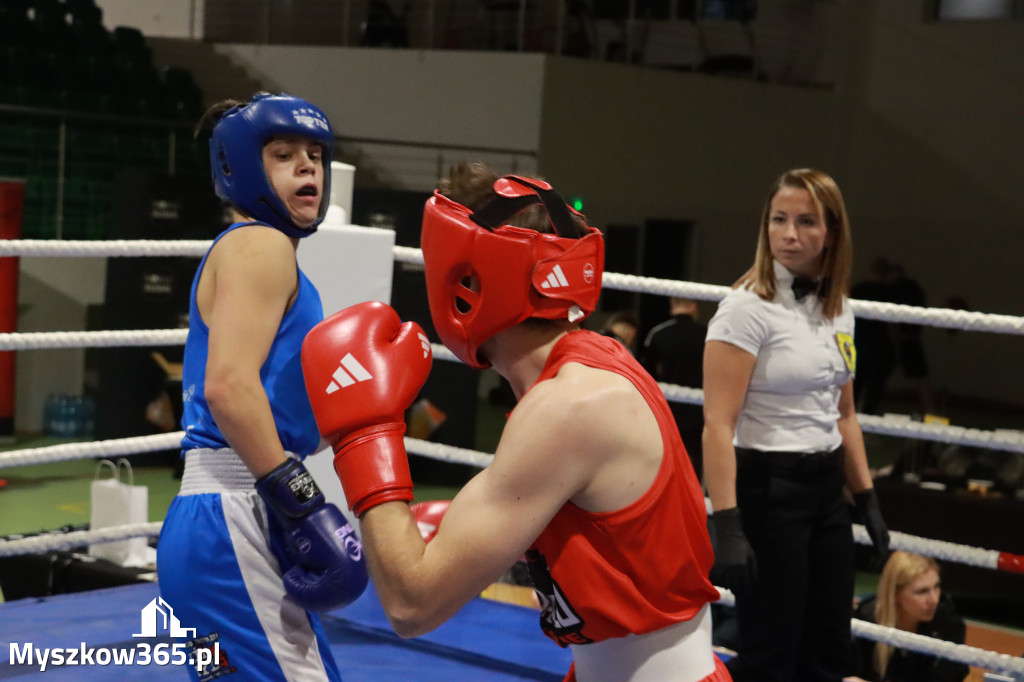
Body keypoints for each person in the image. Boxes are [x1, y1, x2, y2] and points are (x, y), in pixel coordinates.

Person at [301, 162, 731, 682]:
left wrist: (365, 432)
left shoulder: (567, 409)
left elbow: (411, 605)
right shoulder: (591, 364)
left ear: (465, 279)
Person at [157, 92, 367, 680]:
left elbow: (266, 414)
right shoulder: (261, 244)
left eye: (315, 155)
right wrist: (303, 503)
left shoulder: (255, 253)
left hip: (215, 522)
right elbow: (227, 388)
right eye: (283, 154)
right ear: (242, 166)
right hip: (236, 522)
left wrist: (360, 405)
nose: (307, 167)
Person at [702, 168, 890, 682]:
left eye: (806, 221)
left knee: (829, 645)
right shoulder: (745, 308)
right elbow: (718, 424)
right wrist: (728, 523)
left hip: (827, 492)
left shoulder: (840, 309)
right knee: (771, 650)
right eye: (779, 219)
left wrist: (866, 496)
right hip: (767, 491)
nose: (789, 234)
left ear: (832, 231)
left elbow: (844, 412)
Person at [847, 551, 969, 682]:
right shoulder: (863, 621)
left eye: (936, 587)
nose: (934, 599)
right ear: (895, 594)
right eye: (922, 591)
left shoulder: (949, 628)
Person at [641, 296, 707, 480]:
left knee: (662, 462)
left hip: (665, 409)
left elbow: (645, 374)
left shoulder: (659, 333)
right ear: (694, 306)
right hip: (698, 411)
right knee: (693, 465)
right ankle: (691, 506)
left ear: (672, 308)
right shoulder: (707, 334)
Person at [850, 257, 896, 415]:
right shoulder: (889, 293)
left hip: (858, 345)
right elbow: (891, 326)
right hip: (878, 347)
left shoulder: (856, 289)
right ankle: (864, 427)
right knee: (873, 389)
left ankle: (849, 429)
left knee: (854, 387)